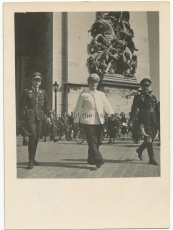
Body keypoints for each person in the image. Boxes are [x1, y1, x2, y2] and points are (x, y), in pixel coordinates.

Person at [74, 73, 113, 168]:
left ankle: (91, 158)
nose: (94, 84)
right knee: (91, 140)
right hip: (87, 121)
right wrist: (76, 121)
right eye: (92, 81)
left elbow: (107, 105)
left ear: (98, 83)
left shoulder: (101, 94)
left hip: (99, 121)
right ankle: (98, 158)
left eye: (96, 82)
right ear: (88, 83)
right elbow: (78, 108)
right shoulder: (83, 94)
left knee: (97, 141)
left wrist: (111, 113)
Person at [19, 72, 50, 169]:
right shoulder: (27, 91)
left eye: (39, 80)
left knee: (36, 137)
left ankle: (33, 157)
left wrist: (48, 116)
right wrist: (19, 118)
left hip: (40, 117)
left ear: (40, 82)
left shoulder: (43, 92)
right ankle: (30, 160)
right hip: (30, 117)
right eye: (35, 80)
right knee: (32, 136)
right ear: (32, 81)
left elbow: (47, 105)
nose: (37, 82)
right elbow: (22, 106)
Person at [129, 78, 159, 165]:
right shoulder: (138, 97)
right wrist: (131, 120)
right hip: (144, 120)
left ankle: (140, 150)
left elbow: (157, 110)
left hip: (153, 120)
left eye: (148, 86)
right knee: (148, 138)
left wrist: (160, 120)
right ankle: (151, 158)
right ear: (141, 87)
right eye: (145, 86)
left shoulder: (153, 97)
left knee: (151, 139)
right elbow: (134, 109)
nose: (147, 88)